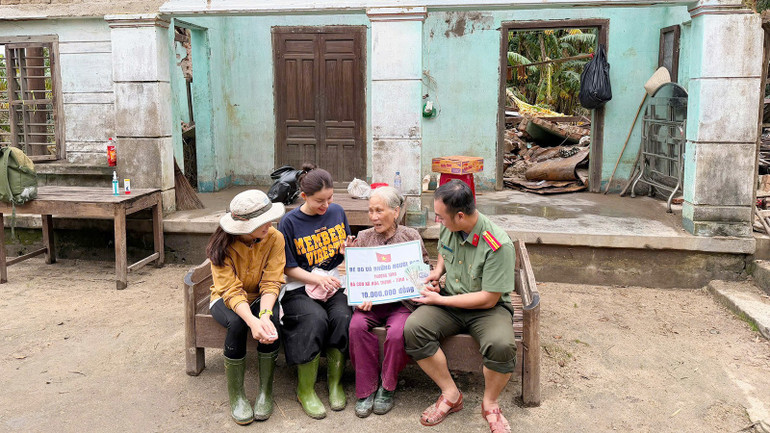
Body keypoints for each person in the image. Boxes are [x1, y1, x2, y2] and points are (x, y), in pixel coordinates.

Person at [403, 180, 517, 433]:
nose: (438, 221)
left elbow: (488, 298)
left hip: (487, 310)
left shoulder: (497, 244)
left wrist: (440, 300)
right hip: (452, 300)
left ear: (461, 216)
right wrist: (437, 272)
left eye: (441, 217)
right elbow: (445, 250)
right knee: (414, 329)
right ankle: (451, 394)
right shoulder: (450, 227)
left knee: (501, 345)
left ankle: (490, 403)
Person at [278, 164, 353, 419]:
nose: (326, 205)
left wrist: (346, 250)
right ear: (304, 197)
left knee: (342, 316)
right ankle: (306, 389)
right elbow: (288, 268)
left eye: (330, 198)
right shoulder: (289, 222)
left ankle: (335, 383)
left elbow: (343, 250)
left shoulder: (337, 212)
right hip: (299, 285)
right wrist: (316, 279)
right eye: (320, 201)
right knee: (314, 319)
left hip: (333, 282)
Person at [347, 186, 429, 418]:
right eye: (370, 211)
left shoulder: (410, 236)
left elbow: (425, 267)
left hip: (402, 304)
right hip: (371, 305)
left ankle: (387, 386)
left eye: (379, 211)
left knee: (396, 334)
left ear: (396, 212)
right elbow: (356, 277)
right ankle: (366, 389)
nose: (373, 217)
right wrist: (359, 294)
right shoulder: (364, 238)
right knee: (356, 327)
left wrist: (419, 280)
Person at [206, 189, 286, 425]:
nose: (269, 224)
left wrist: (265, 315)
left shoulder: (275, 238)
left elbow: (272, 281)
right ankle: (237, 395)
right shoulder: (221, 247)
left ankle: (265, 392)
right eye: (263, 222)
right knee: (237, 323)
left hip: (261, 296)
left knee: (273, 323)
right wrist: (252, 321)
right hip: (225, 298)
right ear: (245, 226)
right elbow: (230, 291)